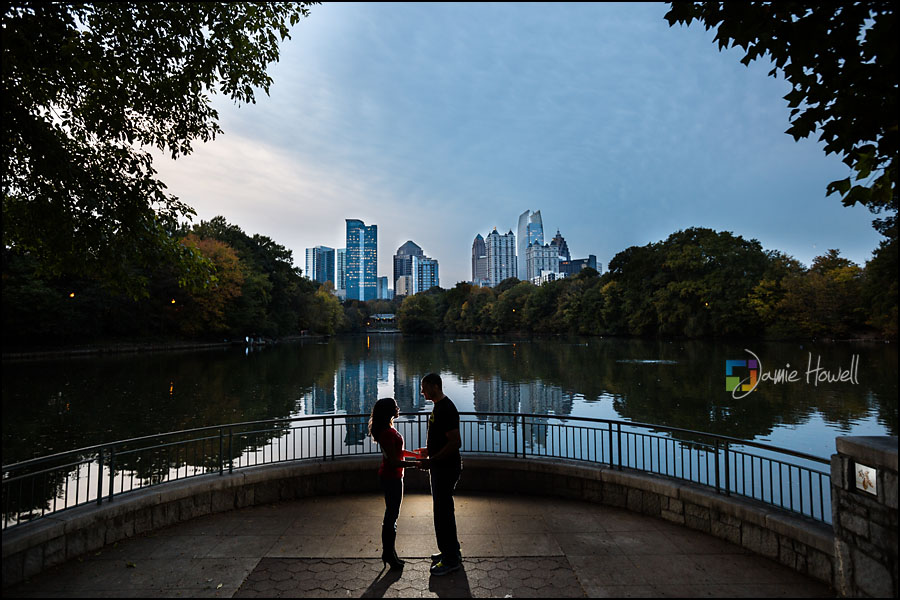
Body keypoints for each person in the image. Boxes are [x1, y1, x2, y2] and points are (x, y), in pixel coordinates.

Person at [415, 373, 463, 576]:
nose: (422, 391)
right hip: (439, 467)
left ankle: (451, 559)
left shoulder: (447, 408)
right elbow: (443, 439)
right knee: (443, 512)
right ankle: (450, 552)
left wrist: (432, 460)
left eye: (424, 387)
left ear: (435, 386)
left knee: (443, 513)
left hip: (445, 469)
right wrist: (429, 451)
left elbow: (455, 442)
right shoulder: (439, 406)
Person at [369, 397, 420, 570]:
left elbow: (397, 453)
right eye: (395, 406)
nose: (398, 408)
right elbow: (393, 461)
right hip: (391, 478)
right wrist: (416, 464)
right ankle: (389, 554)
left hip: (393, 477)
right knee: (391, 517)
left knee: (392, 516)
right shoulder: (387, 433)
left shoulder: (388, 429)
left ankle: (390, 553)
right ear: (388, 411)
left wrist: (415, 455)